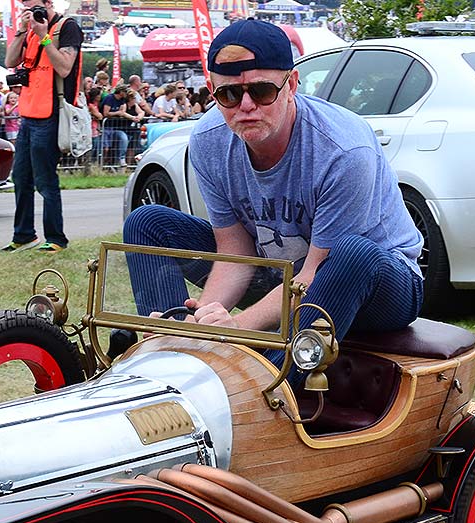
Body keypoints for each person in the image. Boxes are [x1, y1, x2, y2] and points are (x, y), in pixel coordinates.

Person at [122, 20, 423, 351]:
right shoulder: (209, 141)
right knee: (146, 222)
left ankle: (276, 387)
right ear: (213, 93)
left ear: (292, 85)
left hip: (374, 283)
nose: (246, 106)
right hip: (278, 272)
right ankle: (174, 345)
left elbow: (314, 274)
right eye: (229, 94)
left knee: (353, 252)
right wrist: (203, 322)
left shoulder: (344, 151)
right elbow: (235, 249)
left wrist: (235, 327)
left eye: (262, 91)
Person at [0, 0, 82, 253]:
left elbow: (65, 68)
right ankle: (23, 235)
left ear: (49, 3)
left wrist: (44, 36)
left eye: (36, 6)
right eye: (27, 7)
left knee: (46, 180)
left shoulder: (67, 27)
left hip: (51, 113)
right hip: (28, 113)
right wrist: (22, 31)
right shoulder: (29, 30)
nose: (32, 12)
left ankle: (56, 238)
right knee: (21, 178)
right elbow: (10, 61)